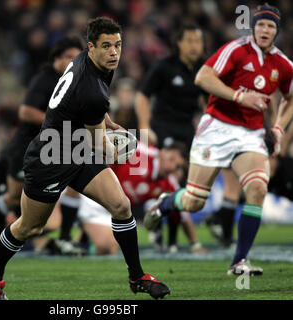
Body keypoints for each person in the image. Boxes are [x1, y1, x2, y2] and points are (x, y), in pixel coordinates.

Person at [0, 17, 171, 300]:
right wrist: (122, 152)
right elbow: (98, 138)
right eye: (107, 46)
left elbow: (94, 107)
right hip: (50, 156)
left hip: (76, 148)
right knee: (31, 226)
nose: (114, 52)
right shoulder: (91, 86)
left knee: (120, 205)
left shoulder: (89, 61)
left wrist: (110, 123)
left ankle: (137, 276)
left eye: (118, 45)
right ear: (91, 47)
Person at [144, 4, 293, 276]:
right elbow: (203, 77)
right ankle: (166, 203)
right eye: (260, 24)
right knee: (194, 201)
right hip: (217, 128)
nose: (265, 29)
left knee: (258, 188)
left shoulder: (283, 64)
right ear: (253, 27)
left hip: (251, 134)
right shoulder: (236, 49)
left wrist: (280, 129)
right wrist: (239, 96)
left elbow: (290, 97)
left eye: (270, 26)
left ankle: (239, 262)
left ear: (276, 31)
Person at [0, 36, 85, 255]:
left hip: (57, 145)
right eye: (68, 57)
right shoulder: (45, 79)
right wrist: (59, 121)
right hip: (28, 147)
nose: (73, 61)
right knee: (13, 197)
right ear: (56, 59)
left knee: (76, 185)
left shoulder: (77, 80)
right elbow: (25, 112)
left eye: (77, 57)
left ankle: (65, 238)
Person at [77, 141, 207, 255]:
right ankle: (72, 236)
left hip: (115, 211)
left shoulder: (168, 183)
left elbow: (183, 213)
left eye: (178, 167)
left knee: (109, 249)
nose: (172, 167)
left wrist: (195, 244)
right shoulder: (141, 151)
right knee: (109, 247)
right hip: (97, 198)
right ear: (162, 152)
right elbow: (110, 145)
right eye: (172, 159)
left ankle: (81, 241)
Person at [135, 23, 205, 149]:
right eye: (189, 41)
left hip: (188, 128)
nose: (194, 46)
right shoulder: (165, 66)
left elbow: (208, 102)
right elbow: (142, 96)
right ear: (179, 43)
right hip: (163, 127)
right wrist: (145, 127)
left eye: (198, 41)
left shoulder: (204, 69)